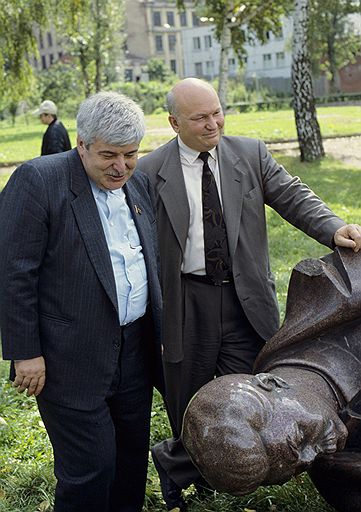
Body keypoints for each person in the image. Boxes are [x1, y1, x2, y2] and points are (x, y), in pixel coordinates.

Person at [136, 77, 361, 511]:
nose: (212, 123)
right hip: (186, 300)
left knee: (263, 398)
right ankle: (188, 470)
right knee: (189, 396)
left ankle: (176, 460)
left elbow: (294, 197)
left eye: (217, 112)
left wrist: (334, 227)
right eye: (200, 117)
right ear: (173, 122)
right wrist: (155, 318)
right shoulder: (150, 171)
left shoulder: (250, 153)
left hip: (244, 298)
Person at [0, 91, 164, 512]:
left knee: (129, 463)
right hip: (67, 356)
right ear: (81, 144)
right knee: (89, 469)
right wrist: (25, 352)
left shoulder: (139, 184)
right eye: (109, 155)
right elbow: (14, 272)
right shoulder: (39, 181)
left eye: (130, 155)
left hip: (134, 352)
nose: (120, 167)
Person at [182, 247, 361, 512]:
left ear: (271, 384)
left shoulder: (333, 287)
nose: (314, 456)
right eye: (298, 469)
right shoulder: (331, 467)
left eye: (298, 440)